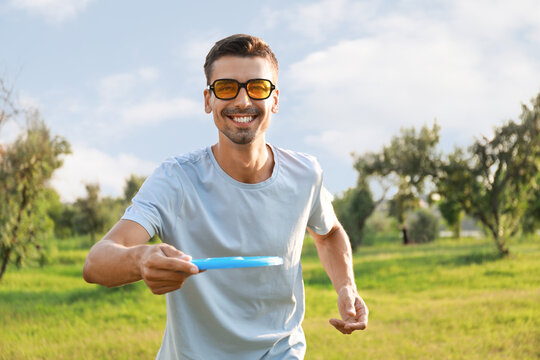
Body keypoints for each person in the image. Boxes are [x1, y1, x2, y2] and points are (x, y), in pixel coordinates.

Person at [83, 33, 368, 359]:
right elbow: (96, 262)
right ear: (208, 100)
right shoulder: (176, 179)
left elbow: (329, 232)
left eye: (258, 87)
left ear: (275, 99)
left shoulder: (306, 174)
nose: (243, 101)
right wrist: (141, 259)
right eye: (227, 87)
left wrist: (346, 287)